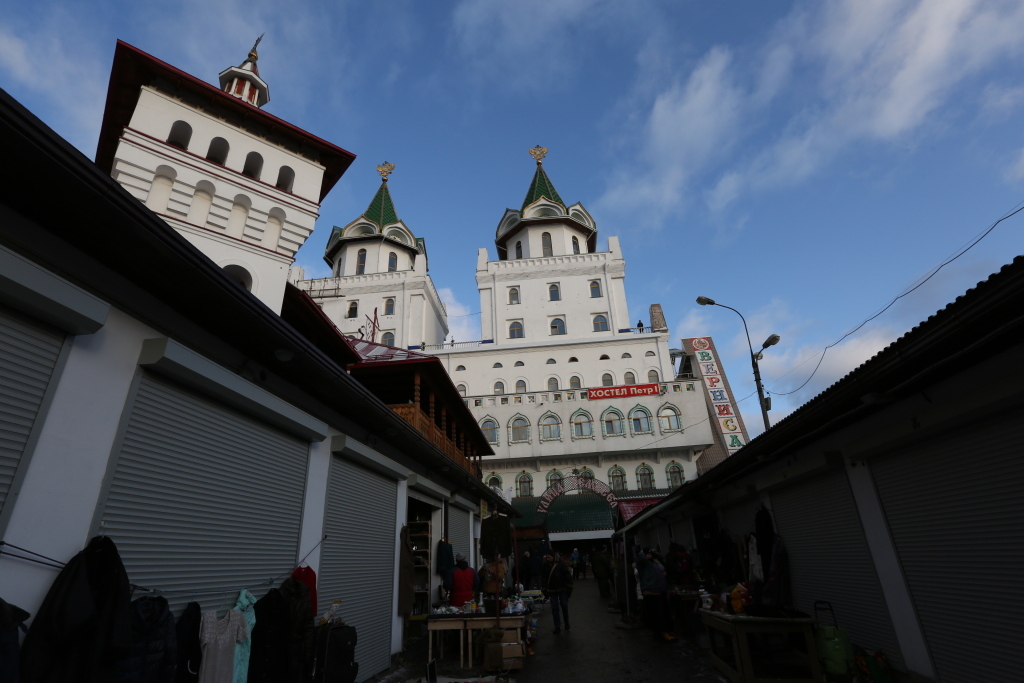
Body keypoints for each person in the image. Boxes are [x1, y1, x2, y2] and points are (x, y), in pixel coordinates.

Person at [635, 546, 675, 641]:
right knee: (657, 614)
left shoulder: (652, 563)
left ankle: (662, 633)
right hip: (651, 592)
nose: (649, 556)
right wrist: (641, 552)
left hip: (658, 591)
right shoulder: (643, 564)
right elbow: (641, 558)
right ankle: (660, 634)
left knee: (661, 614)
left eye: (650, 554)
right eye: (647, 554)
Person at [542, 552, 573, 633]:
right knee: (555, 607)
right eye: (547, 557)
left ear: (553, 557)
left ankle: (565, 624)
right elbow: (544, 578)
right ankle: (558, 626)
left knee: (563, 606)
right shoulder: (547, 565)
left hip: (561, 589)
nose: (547, 559)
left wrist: (569, 587)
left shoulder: (560, 564)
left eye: (549, 557)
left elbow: (567, 576)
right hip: (554, 590)